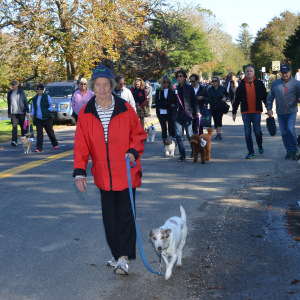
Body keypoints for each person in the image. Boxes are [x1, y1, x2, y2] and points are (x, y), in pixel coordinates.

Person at [73, 65, 147, 276]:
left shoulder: (125, 108)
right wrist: (80, 172)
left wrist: (133, 150)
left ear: (112, 86)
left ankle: (124, 258)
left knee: (125, 215)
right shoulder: (86, 113)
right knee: (109, 218)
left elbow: (139, 134)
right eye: (98, 85)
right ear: (93, 88)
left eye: (106, 85)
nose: (103, 89)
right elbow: (81, 145)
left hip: (126, 171)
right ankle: (117, 254)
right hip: (104, 175)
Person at [232, 65, 267, 159]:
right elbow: (237, 99)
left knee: (258, 132)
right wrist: (234, 111)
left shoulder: (259, 83)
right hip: (245, 113)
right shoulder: (242, 84)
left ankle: (260, 144)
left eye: (250, 71)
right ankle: (251, 152)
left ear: (254, 72)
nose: (249, 73)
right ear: (245, 73)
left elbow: (265, 96)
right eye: (247, 71)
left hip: (256, 112)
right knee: (247, 133)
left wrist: (269, 108)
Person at [266, 64, 300, 160]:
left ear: (290, 72)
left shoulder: (296, 83)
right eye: (283, 73)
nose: (285, 74)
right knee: (284, 132)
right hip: (280, 112)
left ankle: (295, 149)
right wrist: (269, 108)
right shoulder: (276, 83)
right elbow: (270, 97)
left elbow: (299, 95)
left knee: (290, 129)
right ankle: (289, 151)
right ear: (281, 73)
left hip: (292, 111)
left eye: (286, 72)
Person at [173, 69, 200, 161]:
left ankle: (194, 150)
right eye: (178, 77)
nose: (179, 78)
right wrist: (172, 91)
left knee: (190, 134)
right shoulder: (175, 89)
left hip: (187, 114)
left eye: (181, 76)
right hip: (177, 115)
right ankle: (182, 154)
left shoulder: (189, 88)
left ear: (185, 78)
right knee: (178, 134)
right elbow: (170, 101)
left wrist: (197, 111)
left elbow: (194, 101)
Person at [30, 83, 59, 152]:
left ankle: (55, 144)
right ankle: (39, 148)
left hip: (47, 118)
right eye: (38, 89)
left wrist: (48, 111)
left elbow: (51, 105)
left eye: (41, 89)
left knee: (50, 132)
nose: (39, 90)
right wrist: (32, 114)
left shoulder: (47, 96)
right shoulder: (35, 99)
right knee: (39, 134)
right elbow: (33, 108)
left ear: (43, 90)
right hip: (38, 118)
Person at [7, 80, 30, 146]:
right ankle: (14, 141)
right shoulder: (10, 93)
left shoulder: (21, 92)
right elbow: (9, 103)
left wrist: (27, 111)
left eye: (14, 85)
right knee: (14, 127)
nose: (13, 86)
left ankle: (24, 139)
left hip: (21, 112)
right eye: (12, 85)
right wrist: (9, 112)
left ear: (17, 85)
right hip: (13, 113)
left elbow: (25, 102)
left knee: (23, 127)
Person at [155, 75, 175, 140]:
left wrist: (167, 105)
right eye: (164, 82)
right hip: (161, 112)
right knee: (164, 128)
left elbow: (173, 101)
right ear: (162, 83)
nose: (166, 83)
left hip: (170, 112)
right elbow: (157, 102)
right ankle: (165, 143)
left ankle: (172, 141)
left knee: (171, 128)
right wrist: (166, 104)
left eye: (168, 82)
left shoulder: (172, 90)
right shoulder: (159, 91)